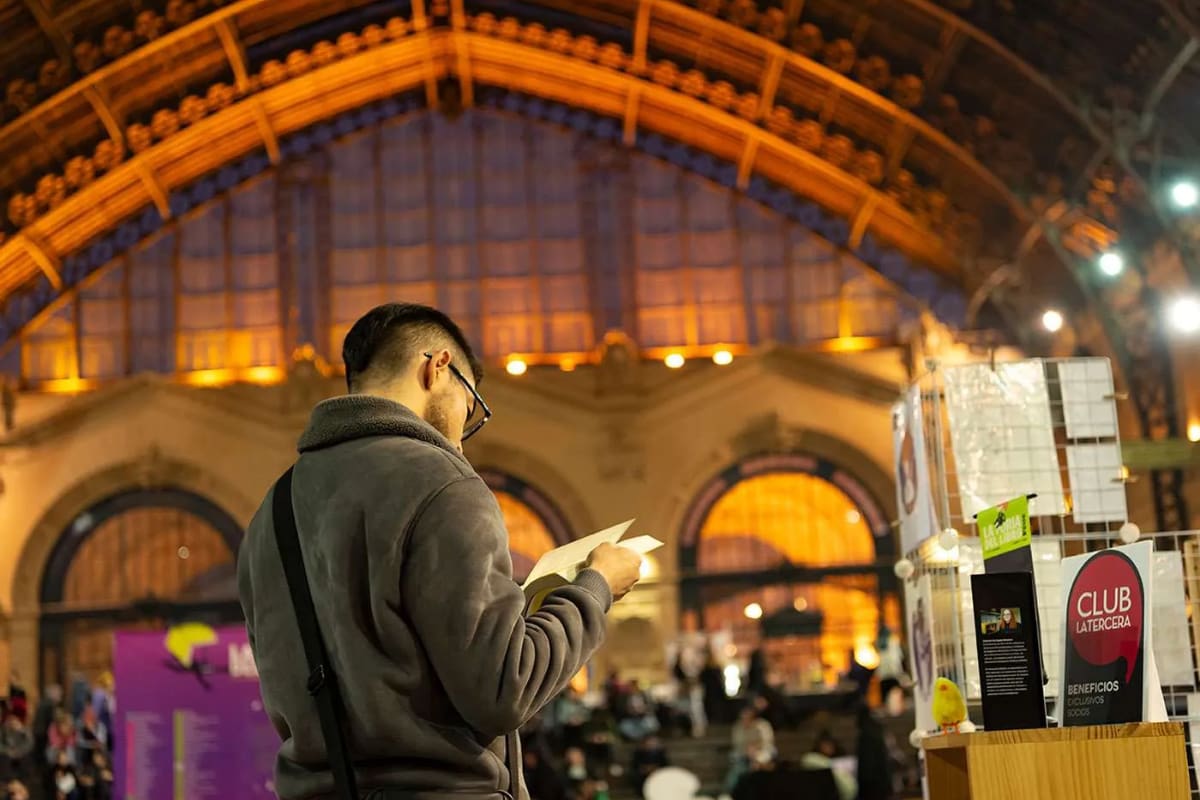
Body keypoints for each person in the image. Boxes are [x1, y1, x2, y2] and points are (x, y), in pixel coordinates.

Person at [238, 303, 643, 800]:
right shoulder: (441, 481)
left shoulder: (271, 512)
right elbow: (504, 688)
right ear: (437, 367)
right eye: (469, 410)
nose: (461, 442)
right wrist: (594, 589)